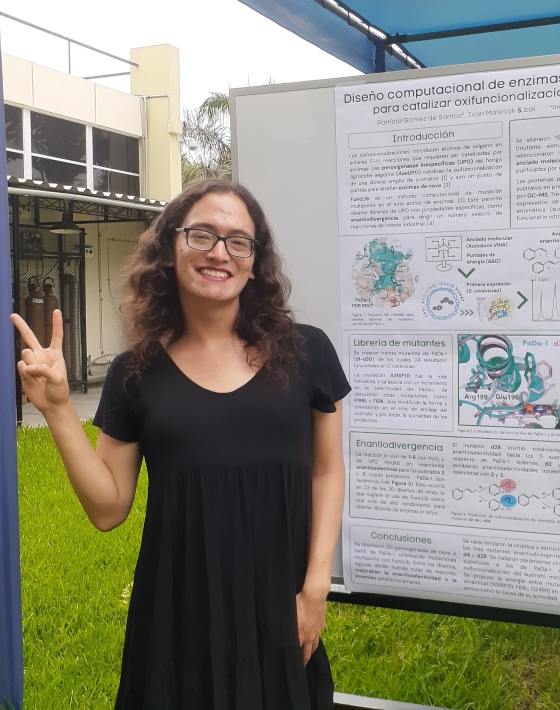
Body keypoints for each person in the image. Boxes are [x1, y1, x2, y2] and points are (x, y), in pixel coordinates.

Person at [11, 179, 350, 710]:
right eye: (202, 235)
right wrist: (56, 409)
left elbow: (328, 470)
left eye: (239, 241)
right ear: (169, 249)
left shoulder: (307, 352)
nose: (220, 253)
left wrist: (315, 587)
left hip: (280, 603)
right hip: (179, 612)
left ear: (256, 262)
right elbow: (107, 508)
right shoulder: (135, 373)